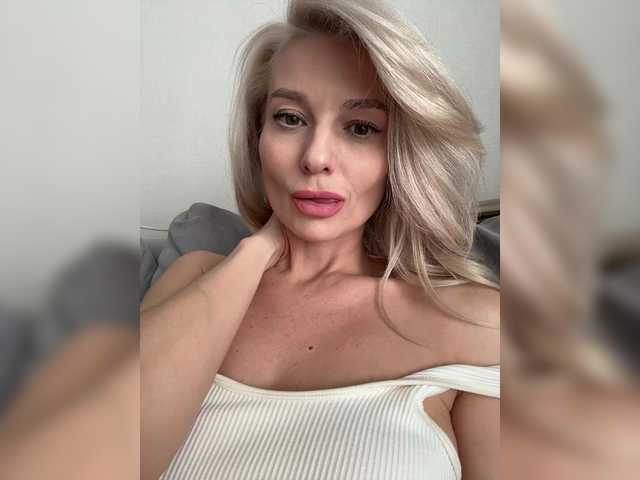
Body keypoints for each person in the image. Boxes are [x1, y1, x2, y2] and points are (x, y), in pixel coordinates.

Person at [141, 1, 499, 479]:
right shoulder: (196, 275)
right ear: (257, 136)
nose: (315, 157)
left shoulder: (477, 321)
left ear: (402, 153)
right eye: (290, 119)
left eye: (361, 128)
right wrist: (258, 250)